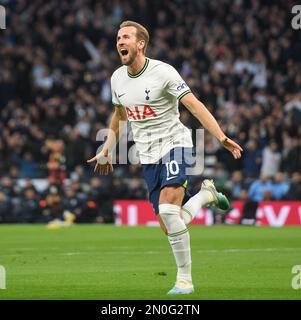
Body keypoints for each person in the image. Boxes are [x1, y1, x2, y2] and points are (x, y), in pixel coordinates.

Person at [87, 21, 243, 295]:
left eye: (126, 37)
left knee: (170, 212)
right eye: (118, 38)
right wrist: (107, 148)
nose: (120, 42)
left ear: (140, 44)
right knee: (170, 223)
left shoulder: (163, 72)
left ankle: (184, 280)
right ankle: (206, 195)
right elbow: (119, 116)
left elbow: (193, 105)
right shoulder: (117, 79)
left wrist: (220, 137)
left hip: (175, 144)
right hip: (147, 157)